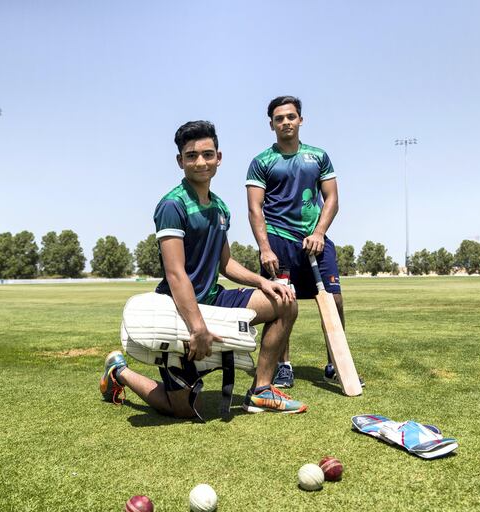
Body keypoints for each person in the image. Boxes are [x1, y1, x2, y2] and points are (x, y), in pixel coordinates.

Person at [101, 120, 307, 418]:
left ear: (219, 158)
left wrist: (263, 283)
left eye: (208, 154)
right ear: (180, 161)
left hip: (213, 297)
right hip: (179, 307)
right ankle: (118, 371)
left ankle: (261, 390)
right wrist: (198, 327)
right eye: (192, 155)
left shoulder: (220, 207)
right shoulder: (173, 205)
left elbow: (226, 263)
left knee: (285, 300)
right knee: (182, 408)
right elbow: (175, 274)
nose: (201, 162)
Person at [246, 95, 348, 388]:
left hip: (314, 239)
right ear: (271, 125)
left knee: (335, 300)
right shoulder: (261, 161)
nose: (286, 122)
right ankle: (283, 366)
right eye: (279, 118)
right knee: (281, 302)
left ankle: (335, 362)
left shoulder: (318, 156)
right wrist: (265, 248)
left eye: (291, 116)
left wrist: (318, 232)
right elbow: (255, 209)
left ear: (300, 120)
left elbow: (332, 199)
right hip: (279, 240)